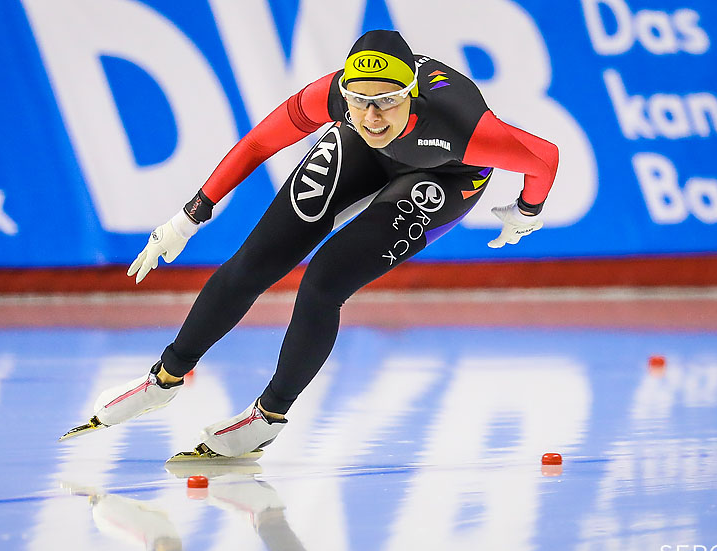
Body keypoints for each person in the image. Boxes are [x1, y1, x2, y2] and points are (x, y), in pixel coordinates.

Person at [63, 30, 559, 457]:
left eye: (388, 100)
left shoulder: (463, 125)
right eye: (359, 100)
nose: (373, 115)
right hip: (359, 152)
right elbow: (259, 142)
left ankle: (268, 416)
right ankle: (164, 379)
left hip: (444, 174)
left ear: (412, 93)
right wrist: (190, 216)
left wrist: (526, 211)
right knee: (255, 260)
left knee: (324, 282)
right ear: (343, 92)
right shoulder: (332, 99)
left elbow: (545, 158)